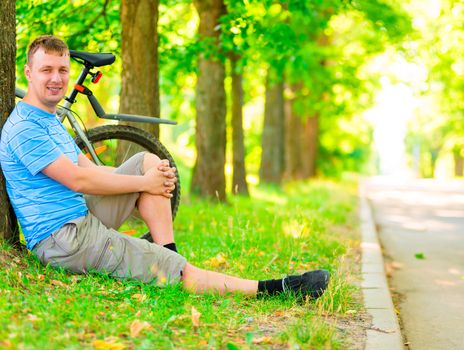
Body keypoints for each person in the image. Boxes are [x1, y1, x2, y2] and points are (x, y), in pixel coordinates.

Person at [0, 35, 329, 299]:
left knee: (149, 162)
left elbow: (90, 168)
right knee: (171, 251)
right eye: (47, 71)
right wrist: (143, 185)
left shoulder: (49, 120)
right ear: (29, 73)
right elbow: (79, 180)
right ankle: (280, 289)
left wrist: (147, 177)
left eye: (62, 70)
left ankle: (167, 252)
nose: (56, 79)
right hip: (63, 240)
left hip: (79, 217)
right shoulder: (26, 127)